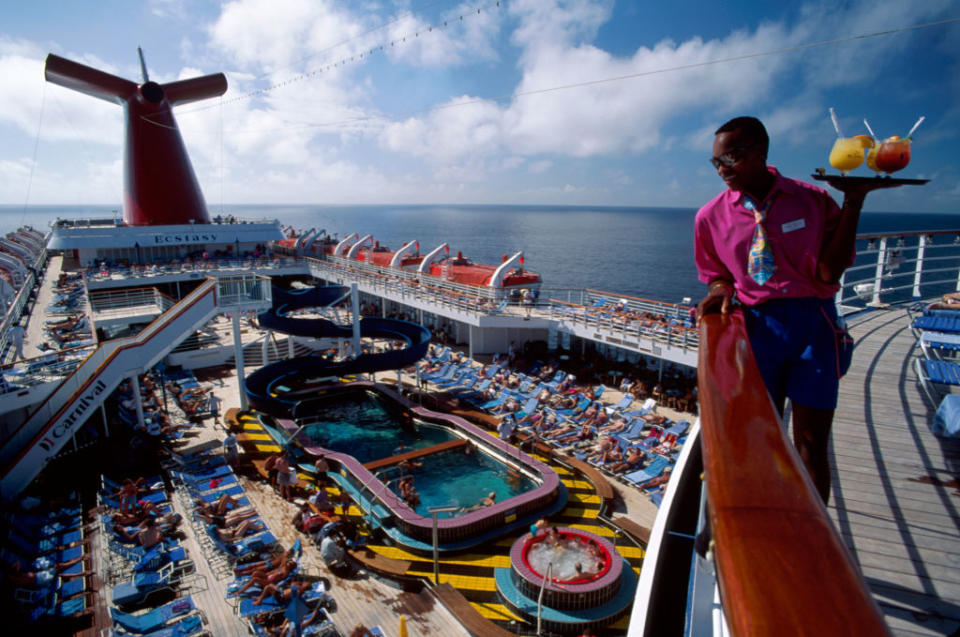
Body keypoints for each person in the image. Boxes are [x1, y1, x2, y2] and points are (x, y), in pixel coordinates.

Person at [694, 116, 895, 503]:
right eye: (716, 162)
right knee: (757, 435)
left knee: (811, 440)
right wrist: (720, 289)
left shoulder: (812, 200)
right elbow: (715, 272)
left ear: (761, 152)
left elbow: (829, 270)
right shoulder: (710, 217)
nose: (723, 169)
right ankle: (759, 518)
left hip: (812, 324)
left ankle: (815, 527)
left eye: (732, 157)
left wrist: (854, 201)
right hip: (756, 327)